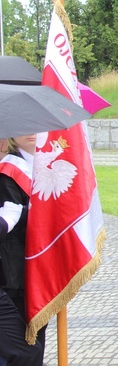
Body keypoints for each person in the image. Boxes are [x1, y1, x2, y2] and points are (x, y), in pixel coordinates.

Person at [0, 135, 45, 364]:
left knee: (34, 344)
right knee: (25, 350)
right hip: (13, 272)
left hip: (37, 269)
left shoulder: (44, 163)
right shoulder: (8, 170)